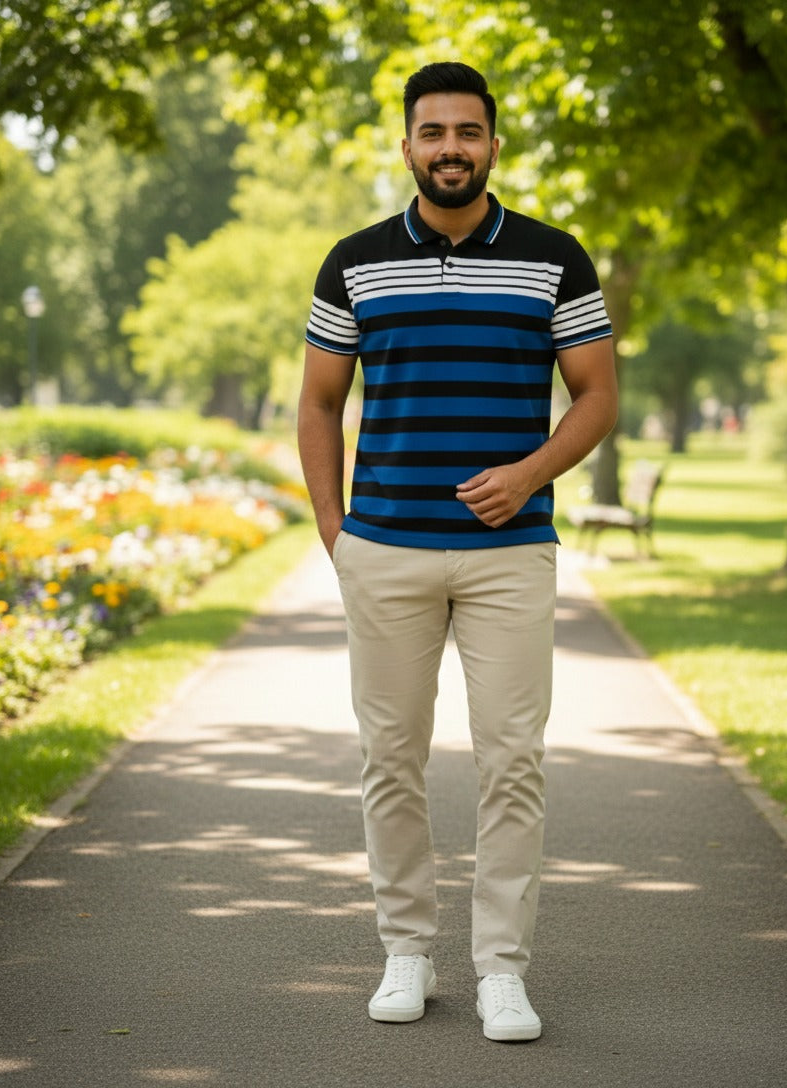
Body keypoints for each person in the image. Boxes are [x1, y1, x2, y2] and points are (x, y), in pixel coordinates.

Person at [297, 61, 617, 1042]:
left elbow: (597, 394)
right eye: (431, 132)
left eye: (467, 132)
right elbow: (317, 403)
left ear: (492, 144)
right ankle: (405, 949)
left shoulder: (555, 258)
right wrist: (337, 536)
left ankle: (503, 970)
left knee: (512, 762)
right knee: (389, 759)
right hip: (384, 552)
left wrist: (527, 473)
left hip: (509, 554)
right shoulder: (352, 262)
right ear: (406, 146)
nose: (449, 148)